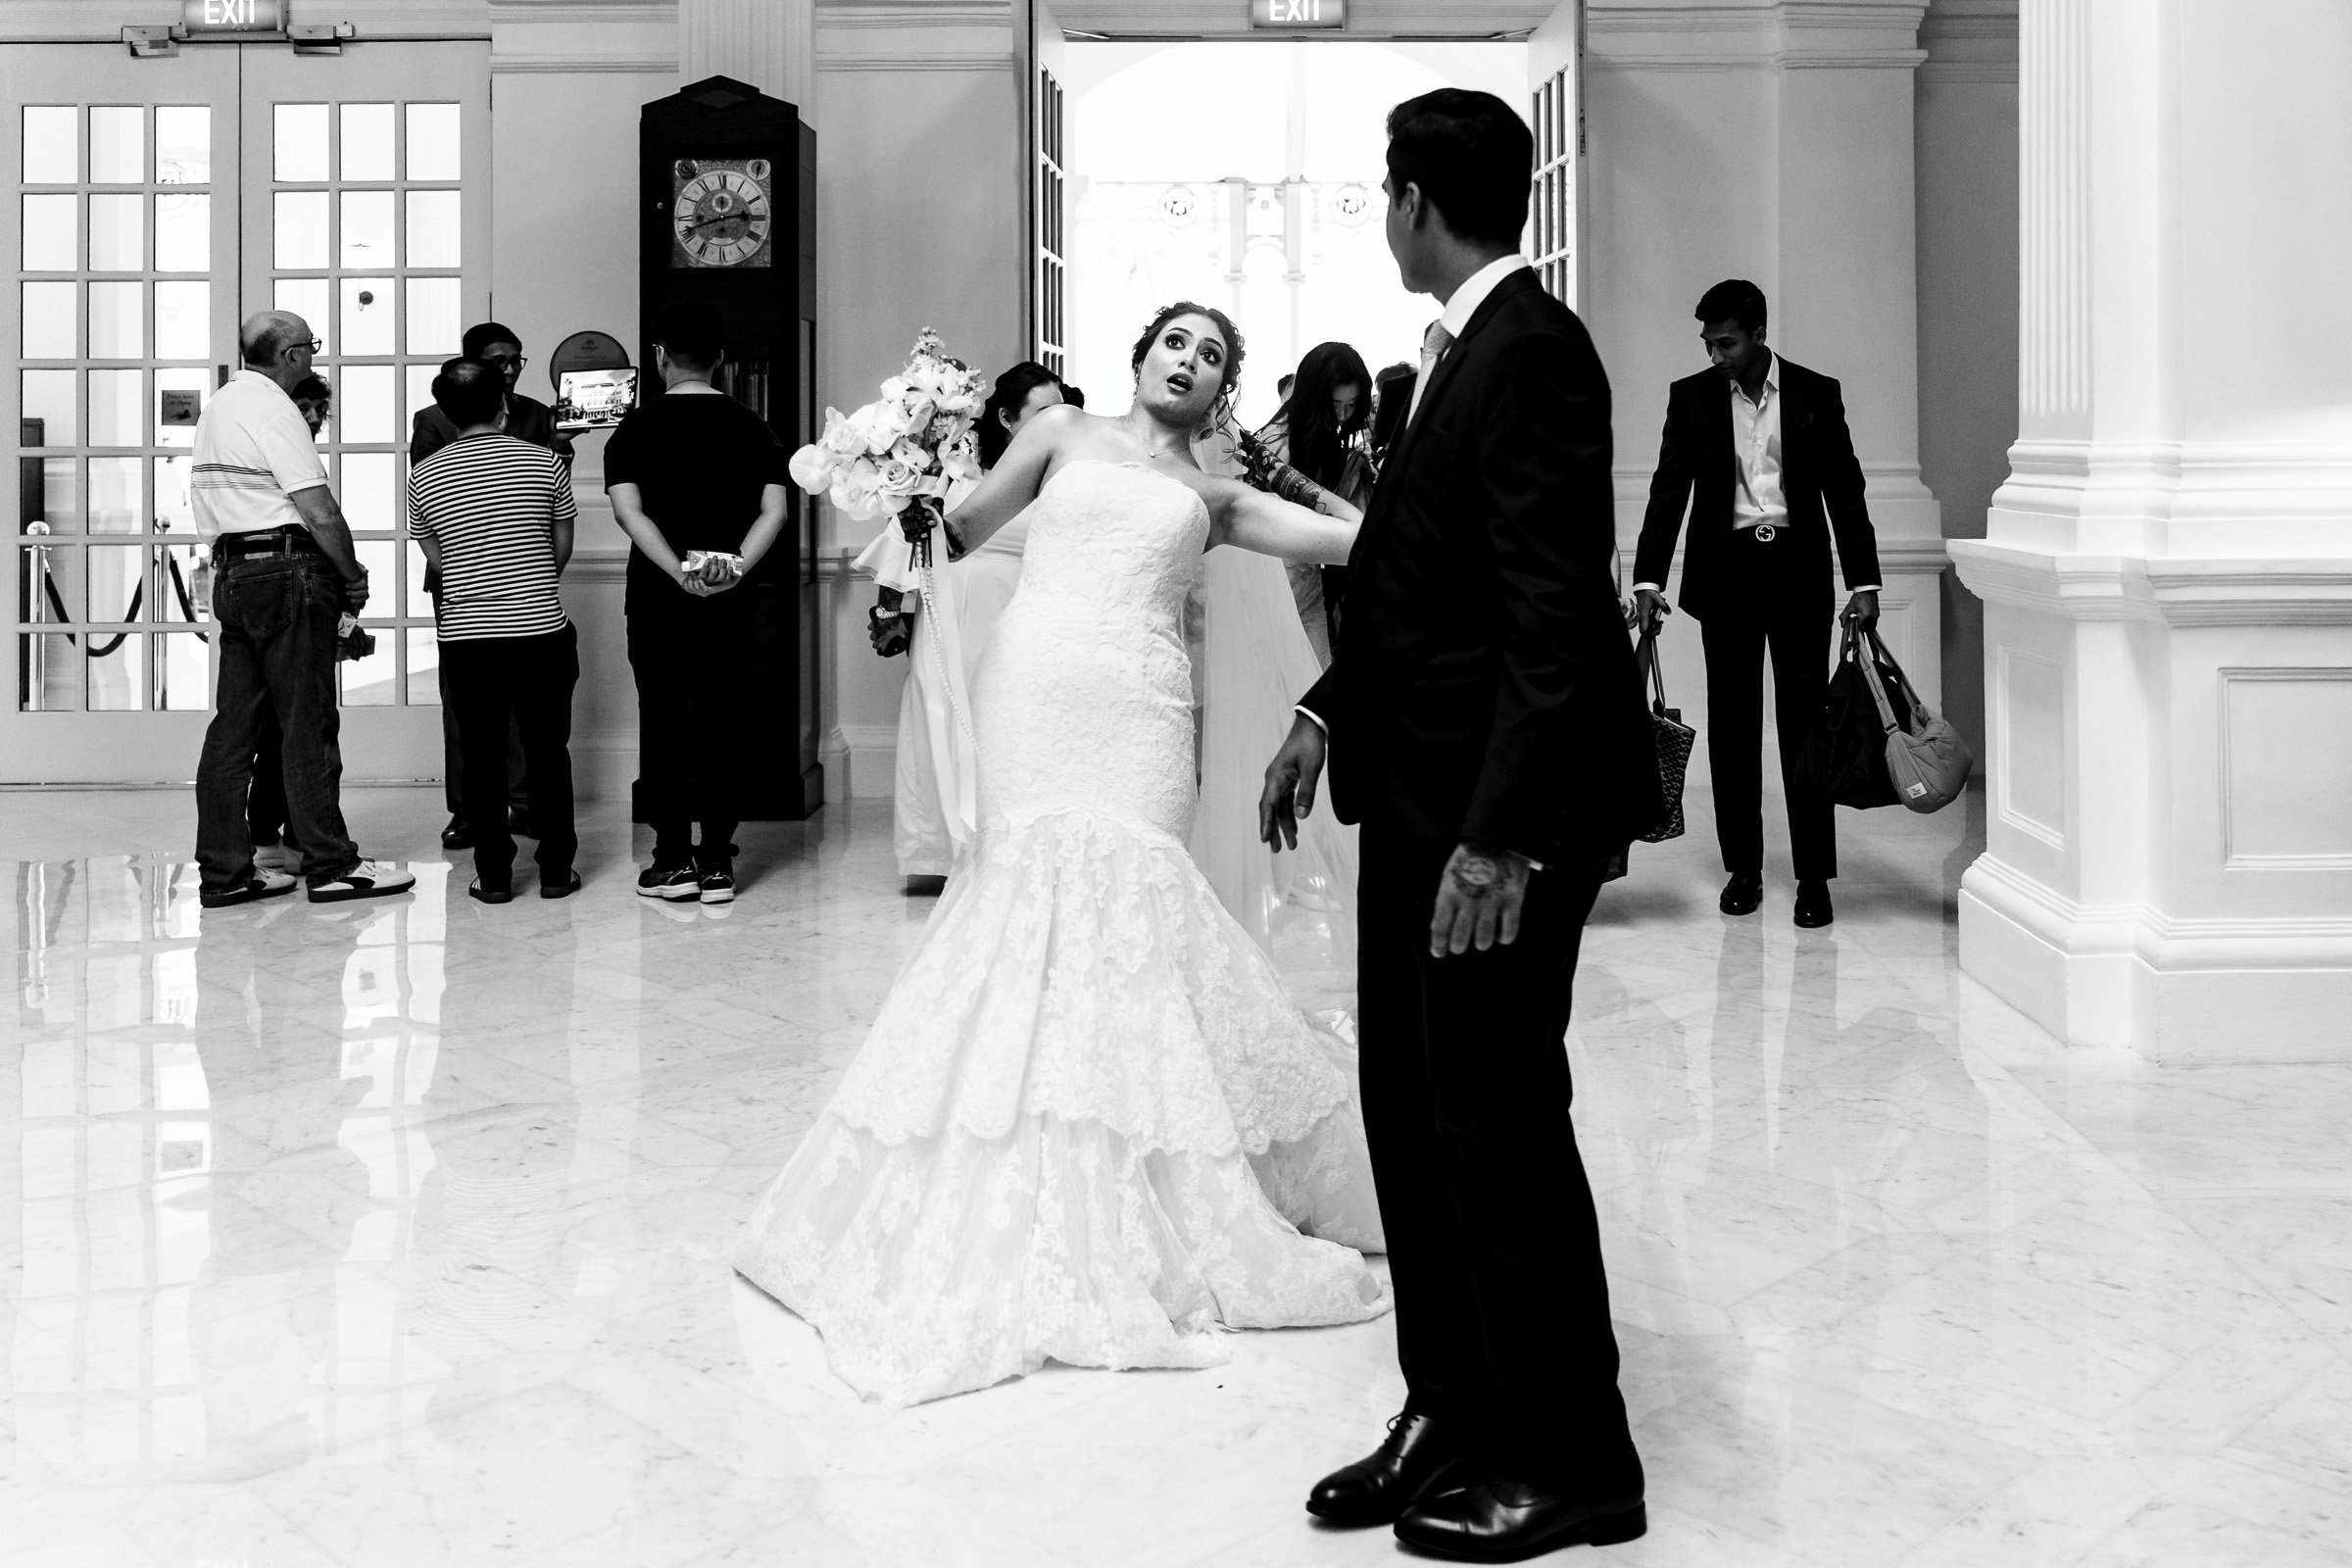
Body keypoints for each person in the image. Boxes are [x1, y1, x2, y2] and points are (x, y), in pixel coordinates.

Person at [736, 301, 1383, 1407]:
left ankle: (1145, 1174)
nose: (1189, 361)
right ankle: (1023, 1157)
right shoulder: (1060, 432)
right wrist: (907, 483)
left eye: (1212, 356)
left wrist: (1311, 482)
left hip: (1141, 712)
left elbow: (1366, 541)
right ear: (1140, 355)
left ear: (1222, 392)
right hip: (1034, 690)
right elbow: (959, 534)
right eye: (1176, 341)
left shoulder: (1218, 497)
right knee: (1025, 901)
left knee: (1133, 915)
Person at [1259, 89, 1661, 1558]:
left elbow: (1554, 617)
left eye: (1385, 193)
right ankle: (1454, 1403)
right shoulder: (1461, 353)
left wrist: (1501, 837)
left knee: (1493, 1118)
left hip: (1485, 825)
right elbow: (1428, 587)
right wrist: (1324, 713)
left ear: (1415, 200)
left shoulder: (1531, 351)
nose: (1385, 216)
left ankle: (1574, 1458)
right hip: (1416, 797)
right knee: (1411, 1111)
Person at [1632, 278, 1883, 929]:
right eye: (1708, 344)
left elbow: (1845, 489)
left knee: (1806, 731)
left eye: (1727, 343)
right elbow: (1668, 490)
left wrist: (1864, 582)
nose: (1715, 355)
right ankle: (1743, 868)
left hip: (1798, 577)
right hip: (1726, 578)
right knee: (1733, 730)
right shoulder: (1691, 398)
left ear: (1759, 335)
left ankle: (1813, 877)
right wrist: (1648, 579)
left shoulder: (1815, 393)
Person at [190, 312, 415, 908]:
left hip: (232, 571)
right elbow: (318, 510)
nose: (313, 355)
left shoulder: (220, 407)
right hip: (285, 569)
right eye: (310, 346)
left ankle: (226, 873)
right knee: (307, 722)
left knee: (233, 730)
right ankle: (332, 865)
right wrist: (352, 576)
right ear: (291, 354)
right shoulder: (274, 409)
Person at [603, 301, 790, 905]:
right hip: (730, 599)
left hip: (657, 599)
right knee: (721, 721)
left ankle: (671, 862)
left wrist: (679, 571)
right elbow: (774, 512)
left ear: (660, 357)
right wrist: (732, 569)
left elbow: (629, 512)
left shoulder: (634, 428)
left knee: (661, 722)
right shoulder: (755, 426)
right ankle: (715, 864)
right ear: (721, 359)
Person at [860, 361, 1069, 882]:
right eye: (1044, 412)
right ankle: (940, 852)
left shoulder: (1063, 476)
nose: (1058, 422)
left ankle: (1014, 851)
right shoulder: (953, 466)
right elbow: (906, 532)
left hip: (1026, 615)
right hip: (949, 611)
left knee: (1015, 728)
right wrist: (889, 609)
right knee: (941, 716)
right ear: (1006, 418)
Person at [407, 358, 581, 904]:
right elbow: (562, 544)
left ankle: (495, 876)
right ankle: (556, 871)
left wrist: (474, 581)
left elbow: (434, 552)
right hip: (541, 631)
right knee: (548, 751)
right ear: (504, 404)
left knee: (482, 757)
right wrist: (532, 582)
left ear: (446, 412)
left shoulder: (423, 476)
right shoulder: (545, 462)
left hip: (468, 637)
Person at [247, 370, 334, 875]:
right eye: (305, 407)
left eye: (321, 409)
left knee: (279, 725)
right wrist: (350, 577)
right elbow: (320, 520)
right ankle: (308, 843)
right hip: (287, 585)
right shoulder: (280, 449)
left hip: (273, 586)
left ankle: (281, 836)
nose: (315, 418)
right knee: (302, 723)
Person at [1253, 341, 1376, 661]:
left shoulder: (1317, 434)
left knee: (1313, 672)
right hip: (1276, 579)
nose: (1343, 415)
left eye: (1352, 405)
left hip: (1306, 576)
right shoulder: (1278, 443)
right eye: (1335, 405)